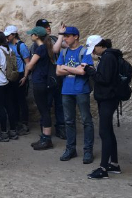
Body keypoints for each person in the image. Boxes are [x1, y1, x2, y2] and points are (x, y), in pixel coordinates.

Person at [85, 36, 123, 179]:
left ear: (99, 45)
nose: (93, 52)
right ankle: (113, 163)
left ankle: (103, 168)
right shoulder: (110, 56)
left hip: (108, 99)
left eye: (94, 49)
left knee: (104, 132)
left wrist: (90, 71)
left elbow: (104, 79)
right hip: (110, 98)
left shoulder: (107, 58)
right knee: (109, 131)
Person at [56, 26, 95, 163]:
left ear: (76, 36)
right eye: (64, 36)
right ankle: (70, 149)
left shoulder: (85, 52)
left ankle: (88, 150)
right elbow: (57, 72)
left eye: (67, 36)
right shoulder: (64, 52)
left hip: (81, 90)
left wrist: (65, 68)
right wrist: (73, 69)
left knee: (86, 120)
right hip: (66, 90)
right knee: (69, 121)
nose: (65, 38)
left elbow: (83, 72)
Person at [24, 26, 55, 150]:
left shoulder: (40, 49)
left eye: (32, 34)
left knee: (44, 110)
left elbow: (30, 66)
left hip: (39, 82)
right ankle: (44, 137)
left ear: (36, 36)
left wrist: (26, 65)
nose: (31, 35)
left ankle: (46, 139)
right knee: (44, 109)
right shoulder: (45, 47)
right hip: (43, 82)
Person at [38, 18, 66, 140]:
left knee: (60, 103)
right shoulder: (39, 42)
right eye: (45, 26)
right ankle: (45, 128)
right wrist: (61, 35)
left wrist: (65, 35)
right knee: (47, 104)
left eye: (48, 26)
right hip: (47, 79)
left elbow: (65, 44)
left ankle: (60, 128)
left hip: (58, 77)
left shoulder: (54, 38)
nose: (48, 28)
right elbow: (55, 49)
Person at [0, 31, 18, 142]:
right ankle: (13, 131)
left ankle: (4, 133)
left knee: (0, 107)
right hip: (9, 81)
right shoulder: (9, 50)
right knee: (10, 106)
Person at [5, 25, 31, 135]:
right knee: (12, 100)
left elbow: (27, 63)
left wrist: (25, 77)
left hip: (20, 75)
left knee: (21, 100)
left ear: (14, 35)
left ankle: (24, 123)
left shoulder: (21, 46)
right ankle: (15, 122)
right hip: (11, 76)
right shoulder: (7, 45)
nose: (7, 37)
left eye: (8, 35)